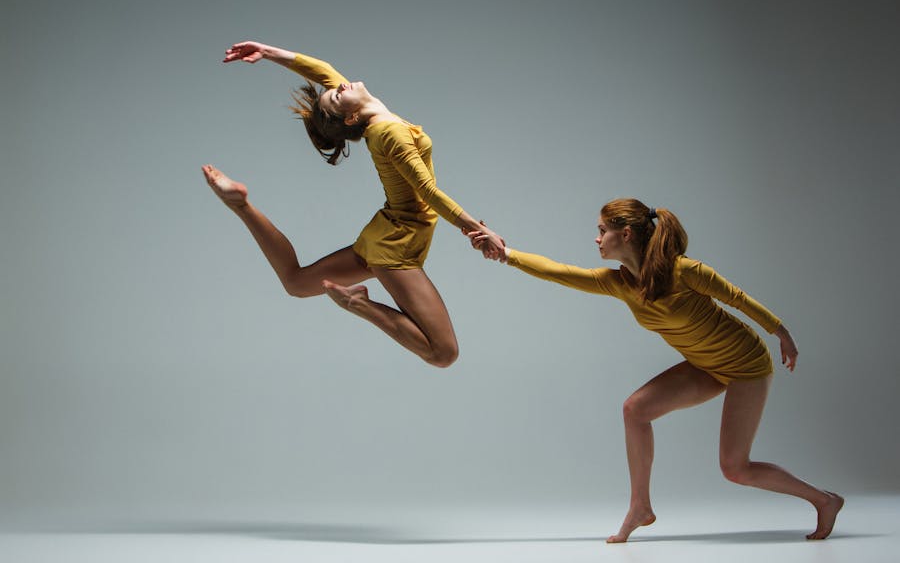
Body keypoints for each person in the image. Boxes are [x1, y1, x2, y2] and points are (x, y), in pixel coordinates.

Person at [467, 198, 842, 541]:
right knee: (635, 409)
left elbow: (738, 299)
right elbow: (557, 271)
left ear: (626, 234)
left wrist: (782, 334)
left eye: (602, 230)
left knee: (735, 468)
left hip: (746, 364)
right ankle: (640, 507)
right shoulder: (618, 283)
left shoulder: (685, 271)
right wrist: (505, 252)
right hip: (705, 366)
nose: (596, 238)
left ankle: (824, 500)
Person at [202, 40, 504, 367]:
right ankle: (358, 304)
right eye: (336, 96)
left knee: (296, 282)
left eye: (334, 90)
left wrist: (268, 52)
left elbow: (323, 71)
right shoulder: (389, 134)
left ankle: (241, 206)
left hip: (386, 233)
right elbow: (428, 191)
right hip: (396, 247)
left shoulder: (370, 112)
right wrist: (475, 229)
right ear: (351, 117)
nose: (340, 86)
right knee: (443, 353)